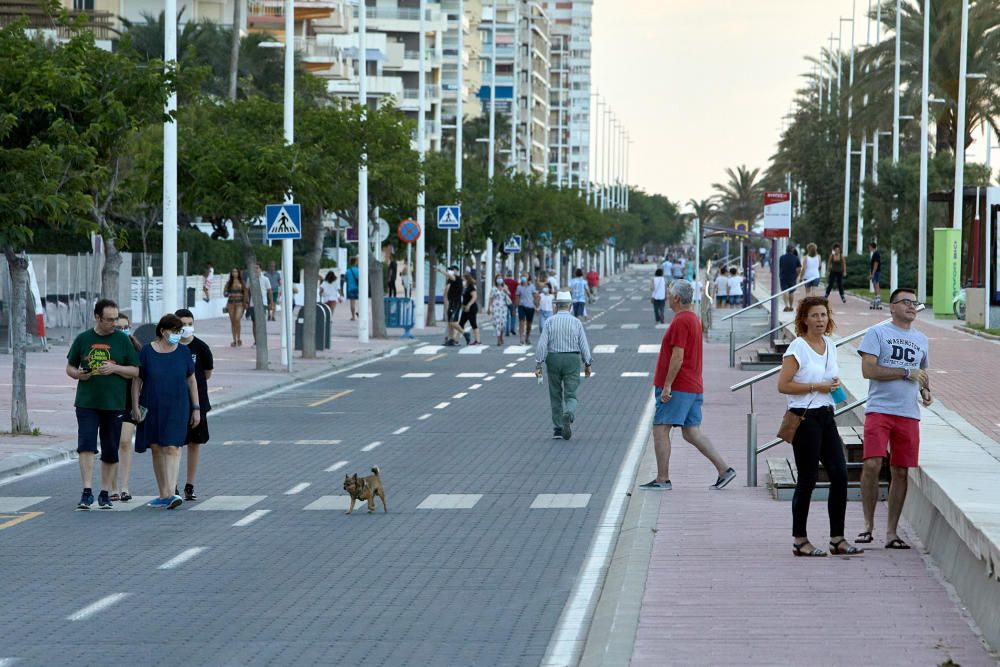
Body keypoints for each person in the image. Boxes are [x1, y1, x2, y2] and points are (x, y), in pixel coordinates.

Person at [776, 297, 862, 557]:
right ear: (804, 319)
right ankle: (799, 539)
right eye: (814, 315)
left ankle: (837, 538)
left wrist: (832, 385)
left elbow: (828, 378)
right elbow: (784, 385)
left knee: (840, 474)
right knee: (808, 479)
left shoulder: (830, 345)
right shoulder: (797, 348)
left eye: (823, 315)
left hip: (826, 415)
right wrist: (816, 386)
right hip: (804, 418)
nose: (820, 320)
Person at [641, 281, 735, 491]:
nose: (667, 297)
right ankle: (724, 469)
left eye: (668, 294)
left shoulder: (681, 321)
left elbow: (678, 356)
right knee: (691, 432)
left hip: (680, 386)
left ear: (675, 298)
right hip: (692, 385)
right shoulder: (693, 319)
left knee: (660, 428)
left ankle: (662, 479)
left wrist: (667, 386)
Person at [857, 288, 932, 550]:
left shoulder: (922, 339)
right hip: (879, 409)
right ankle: (868, 526)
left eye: (915, 303)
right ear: (891, 307)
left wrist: (925, 390)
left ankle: (891, 532)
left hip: (909, 414)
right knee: (872, 464)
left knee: (901, 471)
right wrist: (905, 372)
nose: (912, 307)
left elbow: (922, 371)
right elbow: (868, 370)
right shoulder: (877, 333)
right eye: (905, 302)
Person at [66, 299, 140, 510]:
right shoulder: (83, 339)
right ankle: (87, 490)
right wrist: (78, 374)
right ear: (97, 317)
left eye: (116, 318)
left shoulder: (122, 340)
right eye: (109, 319)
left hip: (114, 403)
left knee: (110, 448)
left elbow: (135, 370)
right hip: (87, 402)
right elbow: (70, 367)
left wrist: (115, 369)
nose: (114, 323)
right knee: (86, 446)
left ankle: (105, 492)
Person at [133, 313, 200, 510]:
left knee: (173, 447)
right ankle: (163, 493)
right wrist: (135, 406)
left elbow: (192, 380)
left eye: (179, 331)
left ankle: (172, 492)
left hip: (178, 406)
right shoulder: (147, 351)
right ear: (162, 331)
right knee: (156, 447)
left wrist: (196, 407)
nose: (177, 335)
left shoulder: (183, 352)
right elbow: (138, 380)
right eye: (174, 331)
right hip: (152, 404)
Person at [534, 291, 593, 440]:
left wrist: (539, 363)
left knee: (555, 394)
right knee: (571, 393)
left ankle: (558, 429)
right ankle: (569, 414)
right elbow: (583, 344)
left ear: (556, 306)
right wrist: (587, 363)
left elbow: (542, 344)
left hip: (553, 358)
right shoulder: (576, 322)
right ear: (570, 305)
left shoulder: (549, 322)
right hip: (572, 358)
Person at [176, 308, 213, 502]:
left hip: (198, 402)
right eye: (182, 324)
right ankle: (171, 484)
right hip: (175, 402)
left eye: (190, 324)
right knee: (173, 444)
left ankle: (189, 485)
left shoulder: (201, 348)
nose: (186, 328)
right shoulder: (169, 347)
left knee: (194, 443)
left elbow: (206, 373)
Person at [111, 313, 142, 503]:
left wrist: (136, 406)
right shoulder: (107, 348)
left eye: (125, 327)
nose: (123, 331)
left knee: (124, 442)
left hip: (129, 402)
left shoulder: (135, 349)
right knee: (111, 443)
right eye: (118, 327)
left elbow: (136, 380)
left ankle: (124, 486)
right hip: (109, 401)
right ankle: (112, 487)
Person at [248, 264, 272, 347]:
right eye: (254, 268)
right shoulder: (250, 279)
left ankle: (262, 341)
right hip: (252, 304)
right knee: (254, 323)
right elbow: (247, 291)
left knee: (261, 323)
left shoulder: (265, 279)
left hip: (263, 303)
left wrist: (271, 303)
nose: (256, 270)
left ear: (261, 269)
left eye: (257, 268)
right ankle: (256, 341)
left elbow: (269, 291)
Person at [440, 265, 464, 346]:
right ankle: (451, 339)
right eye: (449, 270)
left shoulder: (457, 278)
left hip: (455, 303)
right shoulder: (450, 280)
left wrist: (440, 270)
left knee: (452, 321)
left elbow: (447, 290)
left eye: (452, 270)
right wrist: (446, 301)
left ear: (456, 270)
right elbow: (446, 291)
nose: (450, 271)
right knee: (450, 322)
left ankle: (464, 334)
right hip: (451, 302)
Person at [224, 267, 247, 346]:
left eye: (236, 272)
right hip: (231, 303)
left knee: (237, 319)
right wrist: (226, 291)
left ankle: (239, 338)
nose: (235, 273)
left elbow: (245, 292)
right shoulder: (229, 282)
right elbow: (225, 293)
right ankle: (234, 340)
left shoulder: (242, 282)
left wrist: (245, 302)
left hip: (240, 303)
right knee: (233, 321)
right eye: (233, 272)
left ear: (238, 273)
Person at [487, 276, 513, 346]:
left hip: (504, 308)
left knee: (503, 324)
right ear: (496, 280)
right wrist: (488, 308)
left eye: (500, 278)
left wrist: (505, 290)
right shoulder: (493, 289)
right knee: (497, 323)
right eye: (498, 278)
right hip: (496, 308)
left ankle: (501, 336)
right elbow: (491, 298)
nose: (499, 280)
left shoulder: (505, 287)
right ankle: (498, 339)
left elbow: (509, 294)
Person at [458, 272, 481, 346]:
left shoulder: (471, 287)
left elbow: (474, 297)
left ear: (467, 279)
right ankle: (456, 339)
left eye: (463, 279)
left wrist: (469, 305)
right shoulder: (466, 287)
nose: (462, 280)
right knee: (461, 323)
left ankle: (478, 340)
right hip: (465, 308)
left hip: (471, 308)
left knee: (473, 324)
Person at [779, 243, 802, 312]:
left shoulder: (782, 257)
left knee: (785, 291)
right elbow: (799, 269)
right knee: (791, 292)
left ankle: (786, 306)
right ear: (792, 250)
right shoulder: (796, 258)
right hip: (792, 277)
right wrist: (796, 276)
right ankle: (791, 306)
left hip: (783, 276)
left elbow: (780, 267)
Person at [516, 274, 538, 344]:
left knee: (529, 324)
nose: (523, 277)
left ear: (528, 277)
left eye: (525, 276)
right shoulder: (519, 287)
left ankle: (527, 337)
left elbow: (535, 296)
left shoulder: (532, 286)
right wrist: (515, 306)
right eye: (522, 276)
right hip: (521, 306)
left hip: (530, 307)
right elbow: (517, 297)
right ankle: (521, 338)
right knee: (521, 322)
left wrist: (537, 305)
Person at [504, 271, 519, 336]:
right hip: (513, 300)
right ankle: (512, 329)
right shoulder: (515, 282)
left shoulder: (503, 281)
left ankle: (507, 331)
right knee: (513, 315)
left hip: (505, 300)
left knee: (506, 316)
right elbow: (518, 291)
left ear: (506, 274)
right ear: (511, 275)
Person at [869, 241, 883, 310]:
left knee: (876, 284)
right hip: (875, 272)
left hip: (876, 272)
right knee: (875, 284)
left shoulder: (876, 254)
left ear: (872, 247)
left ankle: (878, 298)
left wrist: (873, 273)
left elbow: (876, 264)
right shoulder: (874, 254)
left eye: (869, 247)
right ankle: (876, 297)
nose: (869, 248)